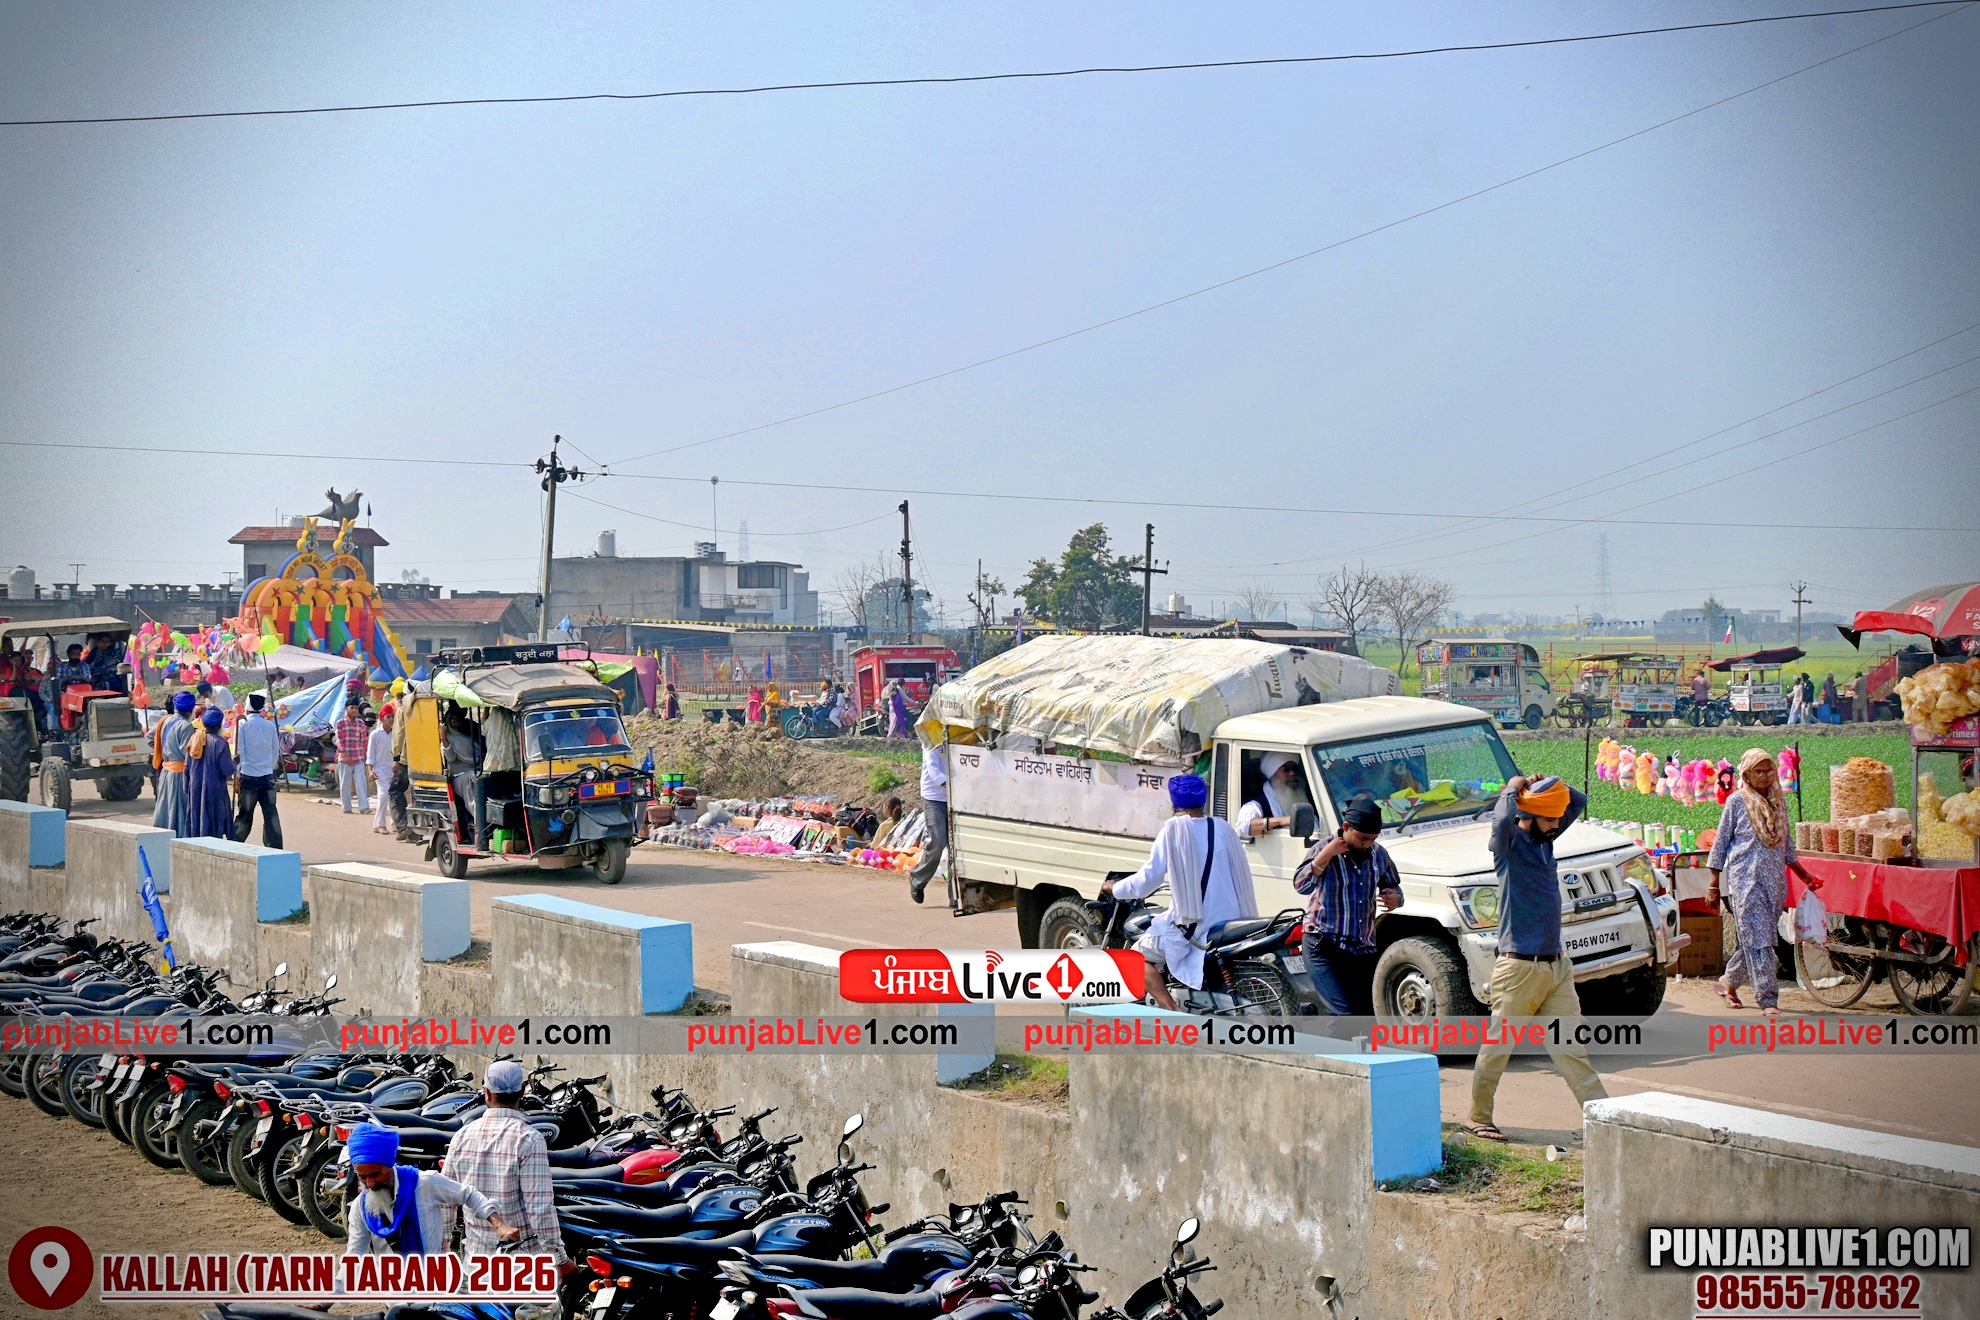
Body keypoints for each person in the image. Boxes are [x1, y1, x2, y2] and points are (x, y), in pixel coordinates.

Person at [1464, 774, 1607, 1142]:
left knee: (1572, 1050)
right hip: (1519, 968)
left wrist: (1552, 785)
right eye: (1549, 817)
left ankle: (1606, 1123)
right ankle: (1478, 1118)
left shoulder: (1546, 840)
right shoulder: (1509, 844)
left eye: (1557, 818)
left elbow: (1578, 800)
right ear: (1528, 814)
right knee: (1499, 1047)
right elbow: (1501, 817)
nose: (1557, 824)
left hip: (1556, 967)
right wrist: (1516, 784)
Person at [1101, 773, 1257, 1012]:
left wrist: (1116, 888)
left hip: (1198, 927)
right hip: (1232, 920)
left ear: (1174, 803)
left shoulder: (1172, 830)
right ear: (1203, 800)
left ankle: (1172, 1010)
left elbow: (1148, 879)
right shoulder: (1223, 827)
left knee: (1136, 957)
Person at [1709, 749, 1822, 1020]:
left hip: (1775, 883)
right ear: (1746, 775)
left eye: (1769, 770)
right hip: (1745, 882)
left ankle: (1728, 982)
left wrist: (1805, 876)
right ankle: (1767, 999)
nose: (1764, 776)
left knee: (1760, 938)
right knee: (1761, 941)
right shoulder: (1737, 801)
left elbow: (1787, 846)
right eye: (1758, 771)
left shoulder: (1778, 802)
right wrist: (1713, 885)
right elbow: (1720, 843)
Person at [444, 1060, 571, 1277]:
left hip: (476, 1264)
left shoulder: (462, 1137)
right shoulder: (528, 1139)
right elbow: (539, 1208)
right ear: (523, 1091)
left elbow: (445, 1203)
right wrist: (559, 1259)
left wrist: (443, 1250)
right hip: (521, 1268)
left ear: (487, 1093)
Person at [1293, 795, 1402, 1015]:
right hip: (1324, 944)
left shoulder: (1378, 854)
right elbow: (1300, 885)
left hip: (1361, 947)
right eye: (1363, 838)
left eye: (1372, 839)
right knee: (1344, 1015)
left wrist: (1396, 898)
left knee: (1368, 1013)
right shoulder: (1323, 849)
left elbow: (1394, 887)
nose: (1367, 844)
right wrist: (1326, 855)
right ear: (1346, 827)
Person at [345, 1122, 519, 1258]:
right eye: (363, 1177)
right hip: (394, 1291)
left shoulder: (425, 1183)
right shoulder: (361, 1207)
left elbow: (469, 1194)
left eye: (375, 1174)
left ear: (390, 1165)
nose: (370, 1184)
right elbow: (354, 1256)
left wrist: (500, 1225)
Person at [233, 693, 284, 848]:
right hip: (266, 776)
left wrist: (236, 775)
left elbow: (239, 752)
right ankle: (275, 848)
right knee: (271, 814)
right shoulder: (270, 726)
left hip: (248, 775)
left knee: (245, 815)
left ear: (247, 707)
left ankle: (235, 845)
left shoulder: (242, 724)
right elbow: (275, 751)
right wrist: (269, 768)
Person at [184, 708, 237, 839]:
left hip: (195, 789)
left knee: (197, 822)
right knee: (214, 824)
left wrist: (187, 788)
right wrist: (234, 762)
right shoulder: (220, 743)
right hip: (214, 791)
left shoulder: (194, 739)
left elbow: (186, 768)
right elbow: (227, 770)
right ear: (219, 725)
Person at [907, 736, 949, 904]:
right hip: (934, 797)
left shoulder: (960, 737)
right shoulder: (931, 740)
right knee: (938, 841)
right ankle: (917, 878)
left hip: (956, 797)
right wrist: (953, 784)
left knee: (957, 847)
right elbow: (934, 773)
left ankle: (957, 896)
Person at [152, 691, 197, 837]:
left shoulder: (165, 721)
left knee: (166, 809)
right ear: (190, 709)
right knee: (179, 811)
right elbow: (187, 754)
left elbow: (151, 739)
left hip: (166, 772)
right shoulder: (186, 726)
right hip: (179, 775)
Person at [1237, 751, 1310, 836]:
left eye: (1295, 768)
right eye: (1286, 769)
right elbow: (1244, 826)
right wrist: (1282, 821)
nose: (1292, 773)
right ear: (1272, 773)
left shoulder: (1304, 794)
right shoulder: (1260, 802)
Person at [444, 709, 485, 848]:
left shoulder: (465, 738)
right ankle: (480, 831)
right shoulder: (447, 739)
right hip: (460, 777)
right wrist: (444, 738)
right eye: (454, 720)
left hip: (475, 771)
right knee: (474, 779)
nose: (457, 724)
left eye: (459, 720)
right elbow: (450, 757)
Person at [335, 699, 372, 815]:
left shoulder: (360, 723)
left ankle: (364, 807)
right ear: (346, 708)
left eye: (356, 708)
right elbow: (339, 740)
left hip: (358, 757)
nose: (354, 710)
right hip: (344, 758)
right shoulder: (340, 723)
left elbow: (364, 740)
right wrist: (345, 755)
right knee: (345, 783)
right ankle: (346, 807)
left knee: (361, 782)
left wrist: (365, 755)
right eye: (352, 708)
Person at [367, 708, 396, 835]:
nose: (391, 719)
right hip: (379, 768)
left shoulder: (396, 734)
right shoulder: (375, 734)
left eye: (392, 716)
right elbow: (370, 754)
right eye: (388, 717)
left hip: (392, 768)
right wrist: (370, 770)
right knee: (384, 793)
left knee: (390, 796)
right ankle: (381, 824)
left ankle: (379, 824)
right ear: (381, 719)